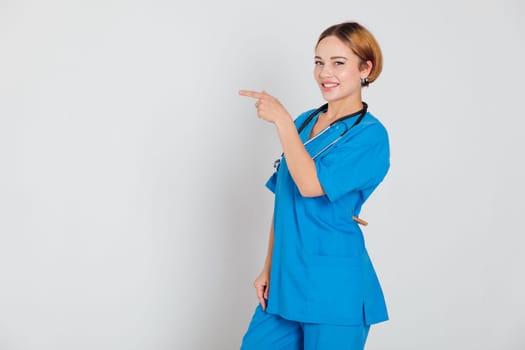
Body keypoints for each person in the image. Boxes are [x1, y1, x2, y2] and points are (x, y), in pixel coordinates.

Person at [238, 21, 390, 350]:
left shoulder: (370, 136)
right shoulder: (304, 122)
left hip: (335, 289)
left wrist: (280, 119)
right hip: (284, 282)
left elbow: (309, 185)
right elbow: (285, 200)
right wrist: (267, 268)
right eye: (319, 62)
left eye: (338, 62)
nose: (325, 72)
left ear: (366, 68)